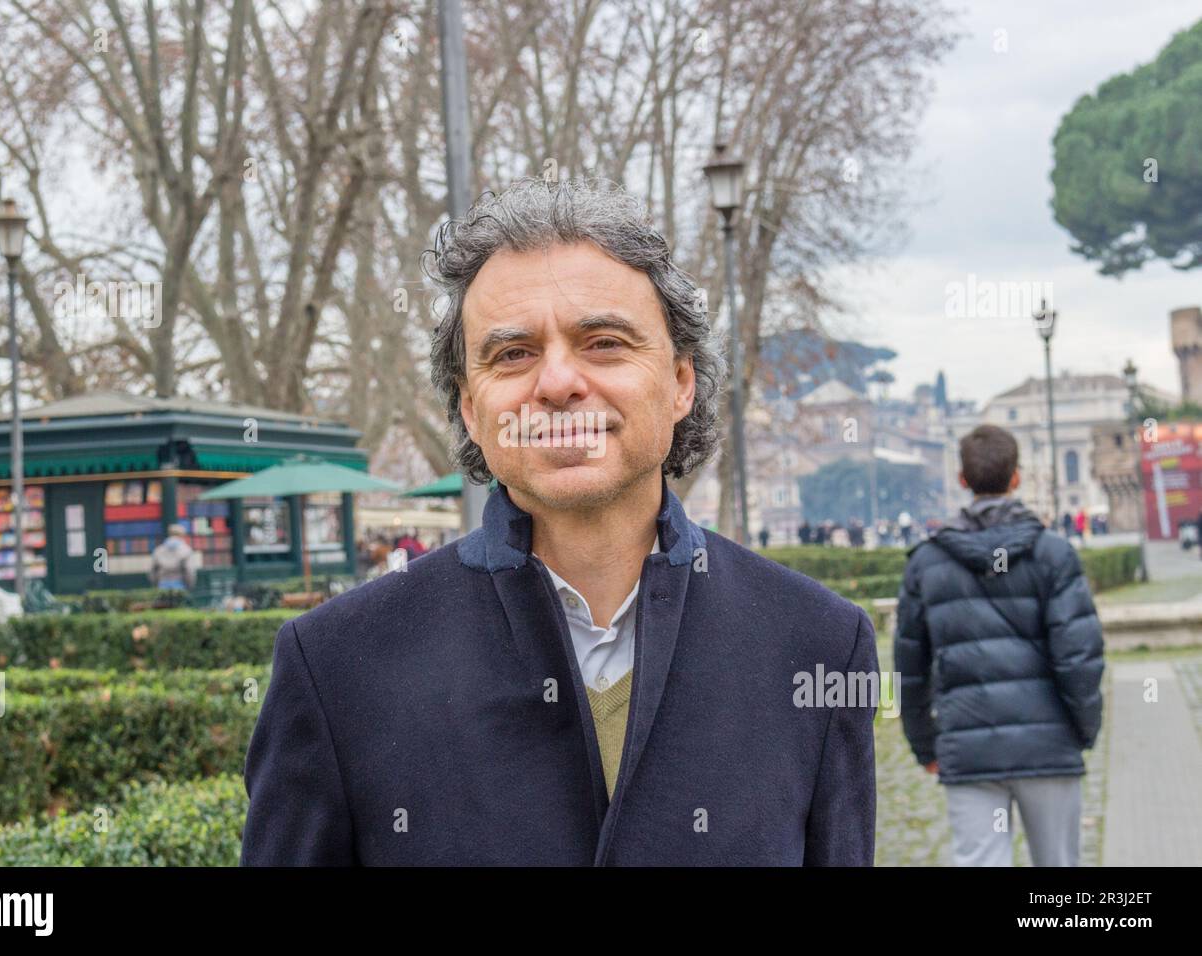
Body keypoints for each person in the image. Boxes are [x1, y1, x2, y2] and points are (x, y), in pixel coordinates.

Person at [241, 178, 877, 866]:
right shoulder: (337, 666)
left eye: (603, 342)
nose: (557, 382)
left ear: (681, 383)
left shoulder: (817, 645)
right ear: (470, 409)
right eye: (512, 354)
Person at [895, 424, 1103, 867]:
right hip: (1048, 744)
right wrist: (1083, 729)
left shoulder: (927, 562)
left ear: (962, 480)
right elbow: (1079, 657)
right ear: (1017, 477)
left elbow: (909, 668)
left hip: (969, 749)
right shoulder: (1054, 554)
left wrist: (924, 745)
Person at [148, 525, 198, 591]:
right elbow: (189, 570)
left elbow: (153, 570)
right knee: (179, 601)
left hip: (162, 583)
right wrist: (189, 585)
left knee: (164, 601)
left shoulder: (159, 550)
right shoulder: (186, 549)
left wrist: (156, 583)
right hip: (180, 584)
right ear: (182, 535)